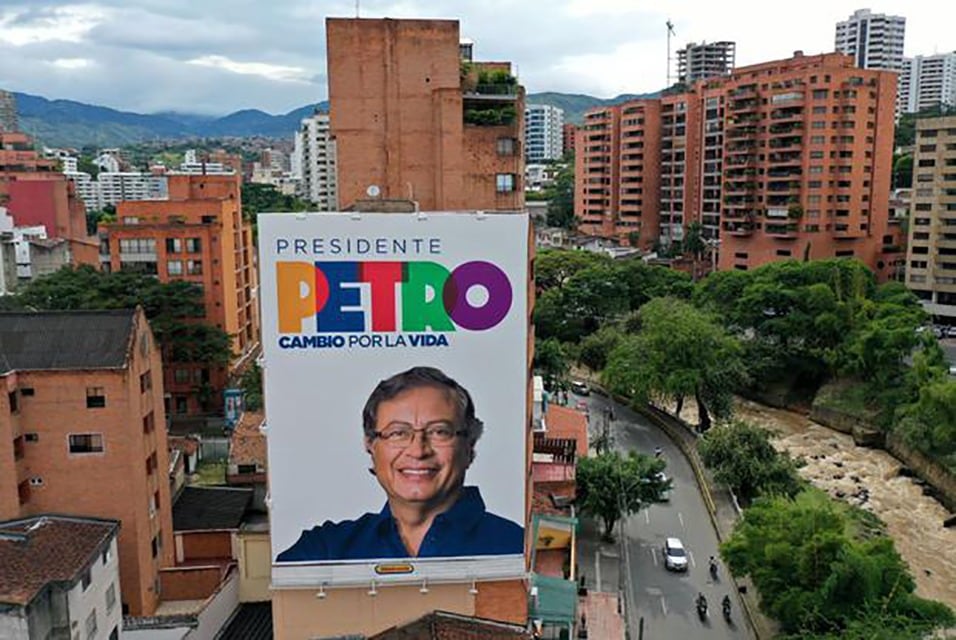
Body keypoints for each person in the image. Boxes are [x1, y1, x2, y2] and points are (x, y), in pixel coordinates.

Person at [277, 366, 524, 562]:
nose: (418, 450)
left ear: (469, 446)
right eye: (397, 433)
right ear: (371, 446)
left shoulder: (518, 549)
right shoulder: (323, 551)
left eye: (439, 432)